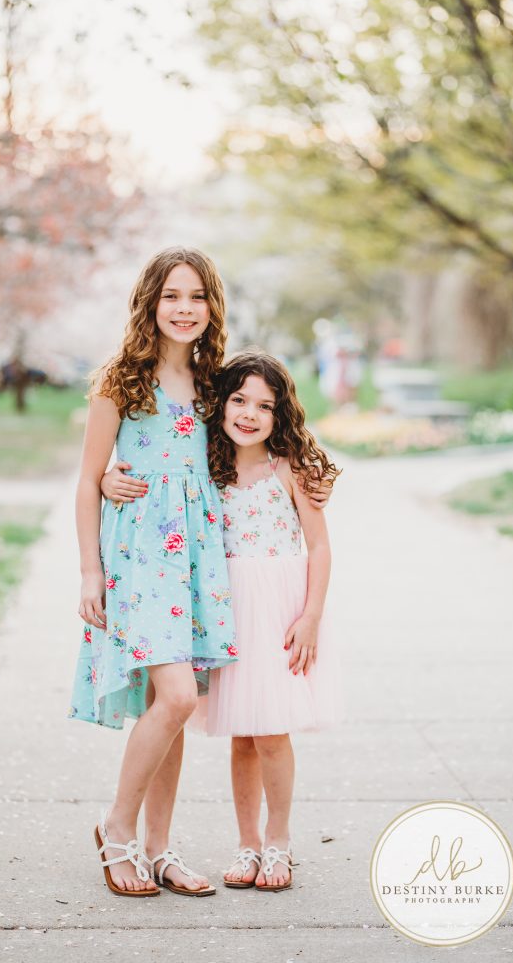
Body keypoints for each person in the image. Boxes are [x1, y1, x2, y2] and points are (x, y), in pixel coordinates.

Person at [70, 246, 242, 897]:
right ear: (150, 301)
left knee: (169, 707)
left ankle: (159, 849)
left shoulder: (214, 383)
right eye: (171, 295)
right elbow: (88, 482)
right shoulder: (121, 379)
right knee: (174, 698)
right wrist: (90, 573)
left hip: (196, 562)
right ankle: (115, 829)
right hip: (140, 559)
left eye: (196, 296)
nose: (183, 308)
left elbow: (246, 453)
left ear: (211, 307)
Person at [191, 350, 343, 892]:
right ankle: (247, 844)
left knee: (272, 733)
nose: (249, 413)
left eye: (264, 405)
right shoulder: (208, 464)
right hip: (227, 613)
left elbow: (319, 546)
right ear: (221, 403)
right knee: (241, 735)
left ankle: (279, 842)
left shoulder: (291, 469)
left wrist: (312, 616)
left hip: (280, 614)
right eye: (239, 400)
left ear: (281, 415)